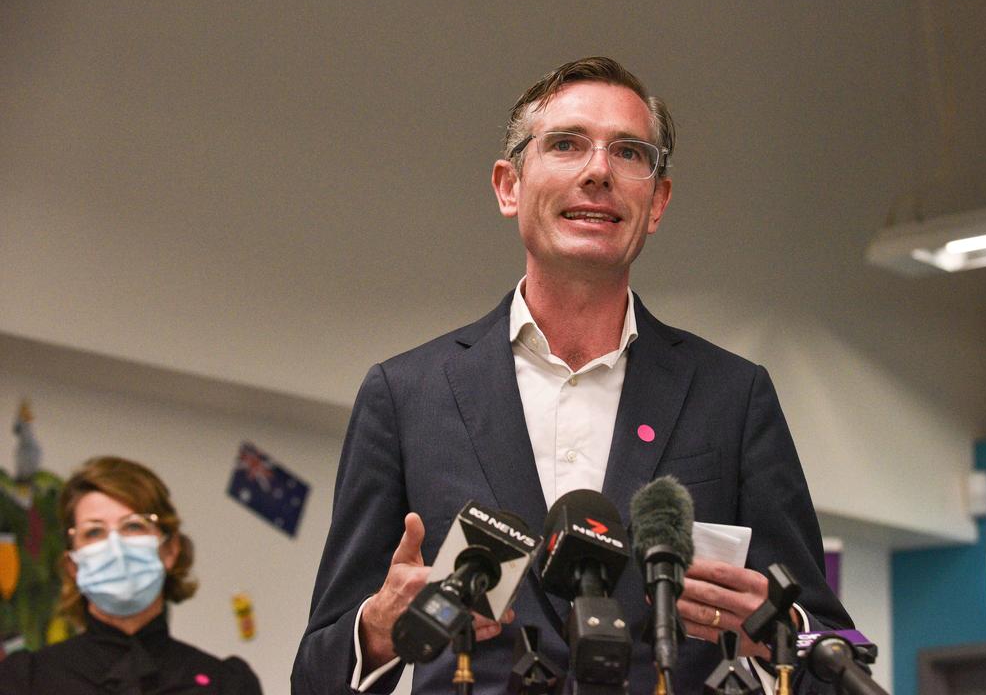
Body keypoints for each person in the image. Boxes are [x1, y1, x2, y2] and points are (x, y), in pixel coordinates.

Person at [292, 57, 852, 695]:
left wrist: (782, 629)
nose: (598, 171)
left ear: (658, 200)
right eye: (565, 144)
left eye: (630, 153)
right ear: (509, 186)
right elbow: (314, 673)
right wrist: (377, 629)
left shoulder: (732, 396)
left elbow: (837, 649)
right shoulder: (407, 395)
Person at [0, 456, 262, 694]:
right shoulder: (25, 680)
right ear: (73, 565)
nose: (116, 547)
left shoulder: (226, 684)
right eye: (94, 532)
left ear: (170, 550)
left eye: (133, 526)